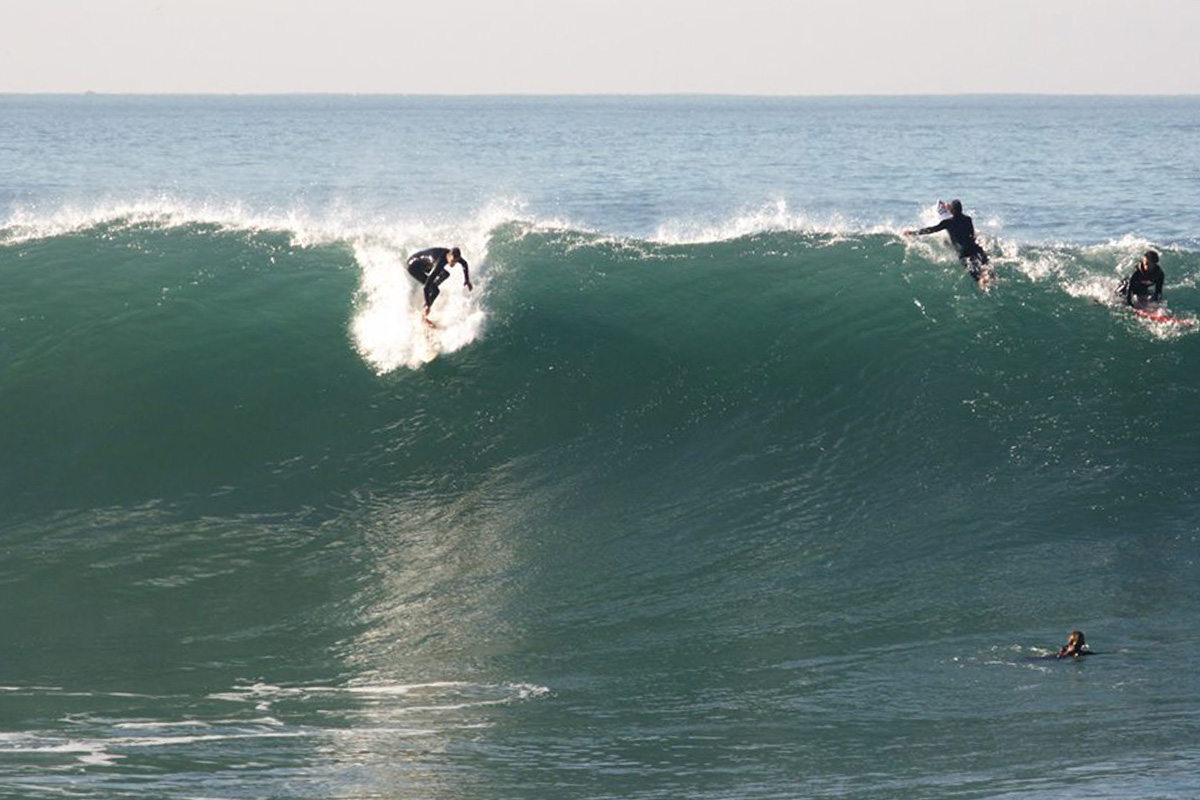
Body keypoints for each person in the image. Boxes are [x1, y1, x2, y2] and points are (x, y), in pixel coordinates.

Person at [904, 199, 991, 282]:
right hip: (973, 247)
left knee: (977, 276)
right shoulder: (968, 219)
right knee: (986, 265)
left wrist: (913, 233)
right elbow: (972, 235)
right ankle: (989, 277)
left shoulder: (948, 222)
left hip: (962, 252)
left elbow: (931, 230)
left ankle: (982, 283)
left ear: (952, 211)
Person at [406, 246, 472, 324]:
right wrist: (427, 304)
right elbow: (426, 287)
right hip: (413, 266)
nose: (453, 264)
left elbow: (464, 264)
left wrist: (467, 280)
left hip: (424, 263)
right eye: (452, 261)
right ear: (449, 256)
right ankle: (424, 315)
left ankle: (430, 293)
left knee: (445, 274)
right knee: (435, 290)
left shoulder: (453, 255)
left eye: (455, 262)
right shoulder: (439, 264)